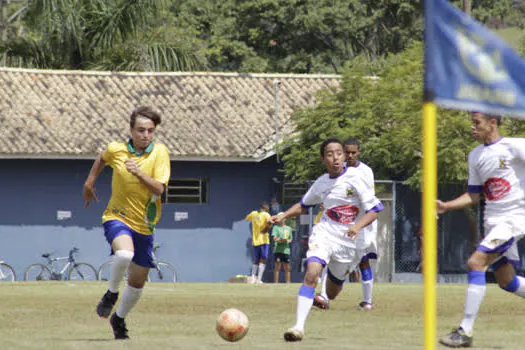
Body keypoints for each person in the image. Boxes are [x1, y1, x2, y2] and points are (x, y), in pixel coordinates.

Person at [270, 138, 384, 342]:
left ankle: (335, 283)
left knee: (332, 292)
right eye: (330, 154)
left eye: (339, 153)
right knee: (312, 273)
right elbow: (304, 204)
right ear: (323, 159)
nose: (336, 158)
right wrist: (283, 215)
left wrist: (356, 226)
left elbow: (374, 211)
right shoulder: (321, 183)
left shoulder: (357, 178)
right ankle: (298, 327)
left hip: (350, 243)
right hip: (325, 232)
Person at [437, 112, 525, 348]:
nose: (472, 128)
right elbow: (474, 195)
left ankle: (464, 331)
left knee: (476, 263)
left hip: (513, 221)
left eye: (477, 123)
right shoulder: (475, 155)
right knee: (507, 281)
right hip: (492, 224)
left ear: (492, 123)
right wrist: (446, 205)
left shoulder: (515, 146)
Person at [83, 106, 170, 340]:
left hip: (144, 226)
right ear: (131, 130)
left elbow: (159, 189)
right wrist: (89, 183)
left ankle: (118, 318)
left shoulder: (160, 153)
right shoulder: (117, 150)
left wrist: (139, 173)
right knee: (124, 255)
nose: (146, 135)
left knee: (137, 282)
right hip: (116, 216)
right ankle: (111, 293)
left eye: (150, 131)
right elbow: (102, 158)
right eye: (141, 130)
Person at [315, 137, 378, 310]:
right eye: (347, 152)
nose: (350, 155)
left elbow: (368, 199)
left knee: (363, 260)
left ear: (358, 152)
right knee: (328, 255)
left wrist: (359, 224)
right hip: (338, 223)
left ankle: (367, 301)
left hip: (360, 223)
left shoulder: (365, 171)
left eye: (353, 152)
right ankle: (324, 295)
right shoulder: (336, 171)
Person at [245, 202, 271, 283]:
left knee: (256, 259)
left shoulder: (253, 214)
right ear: (266, 208)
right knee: (263, 259)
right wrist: (266, 229)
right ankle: (259, 279)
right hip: (264, 240)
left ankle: (253, 278)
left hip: (255, 240)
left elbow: (247, 218)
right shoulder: (266, 214)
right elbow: (270, 223)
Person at [271, 216, 293, 283]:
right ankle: (276, 283)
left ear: (285, 219)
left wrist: (287, 241)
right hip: (278, 250)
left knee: (287, 268)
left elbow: (290, 238)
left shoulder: (288, 228)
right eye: (279, 218)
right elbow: (274, 238)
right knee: (277, 268)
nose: (281, 220)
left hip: (286, 250)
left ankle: (288, 283)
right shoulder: (275, 227)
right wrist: (279, 240)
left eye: (282, 218)